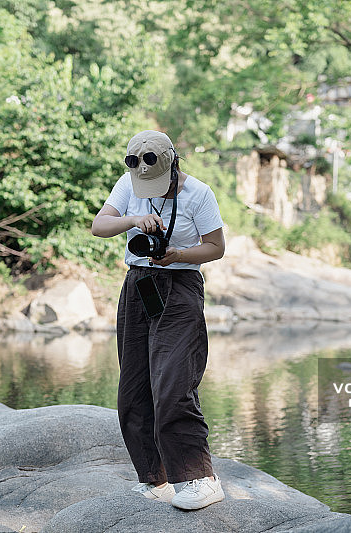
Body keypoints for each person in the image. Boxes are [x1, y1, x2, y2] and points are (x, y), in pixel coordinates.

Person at [91, 130, 226, 510]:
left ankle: (201, 478)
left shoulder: (198, 194)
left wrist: (179, 253)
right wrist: (134, 218)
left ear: (172, 164)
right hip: (137, 285)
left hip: (180, 286)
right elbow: (99, 226)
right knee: (133, 389)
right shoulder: (128, 184)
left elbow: (216, 247)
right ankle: (155, 478)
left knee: (173, 385)